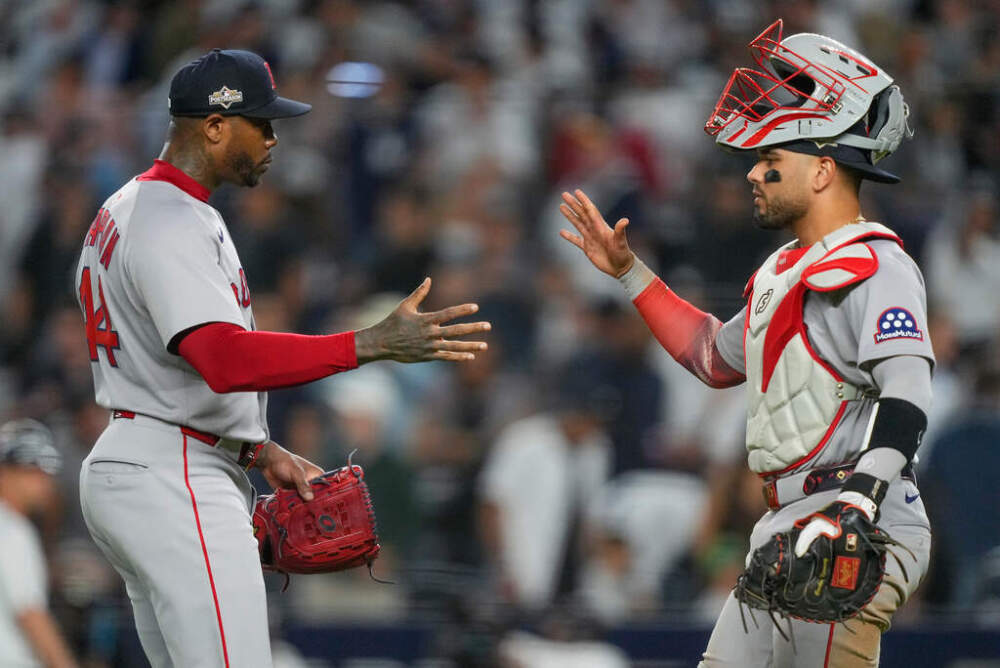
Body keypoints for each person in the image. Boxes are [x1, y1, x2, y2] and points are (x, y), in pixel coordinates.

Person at [74, 49, 490, 668]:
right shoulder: (170, 220)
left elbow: (165, 365)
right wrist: (368, 343)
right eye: (260, 123)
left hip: (151, 457)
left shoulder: (127, 207)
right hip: (175, 474)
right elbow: (222, 358)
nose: (273, 138)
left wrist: (257, 449)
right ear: (213, 126)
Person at [559, 20, 932, 667]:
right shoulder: (780, 270)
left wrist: (858, 502)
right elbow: (710, 356)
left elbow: (910, 393)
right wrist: (630, 272)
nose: (754, 173)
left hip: (855, 516)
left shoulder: (876, 263)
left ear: (822, 170)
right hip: (785, 525)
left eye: (771, 160)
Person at [0, 419, 79, 668]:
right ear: (6, 472)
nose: (45, 483)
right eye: (33, 472)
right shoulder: (12, 530)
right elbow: (31, 614)